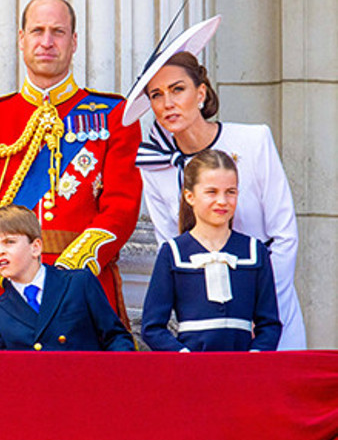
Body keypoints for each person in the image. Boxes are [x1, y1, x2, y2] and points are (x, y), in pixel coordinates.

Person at [0, 0, 142, 347]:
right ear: (21, 40)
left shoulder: (115, 115)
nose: (46, 41)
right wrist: (9, 267)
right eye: (37, 30)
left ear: (74, 43)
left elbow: (122, 205)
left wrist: (70, 276)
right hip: (7, 293)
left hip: (83, 290)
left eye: (58, 31)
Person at [123, 18, 306, 349]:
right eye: (156, 94)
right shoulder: (154, 164)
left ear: (201, 92)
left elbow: (284, 236)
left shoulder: (254, 140)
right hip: (204, 327)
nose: (167, 103)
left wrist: (258, 310)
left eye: (178, 89)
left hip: (267, 315)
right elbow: (171, 246)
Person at [141, 149, 282, 352]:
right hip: (191, 372)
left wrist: (255, 356)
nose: (222, 201)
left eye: (230, 192)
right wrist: (183, 356)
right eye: (211, 192)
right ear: (190, 196)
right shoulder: (173, 252)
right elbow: (152, 327)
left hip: (243, 371)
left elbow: (269, 324)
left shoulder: (254, 250)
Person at [0, 205, 134, 351]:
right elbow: (1, 371)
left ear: (35, 247)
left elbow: (116, 339)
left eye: (9, 242)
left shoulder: (78, 284)